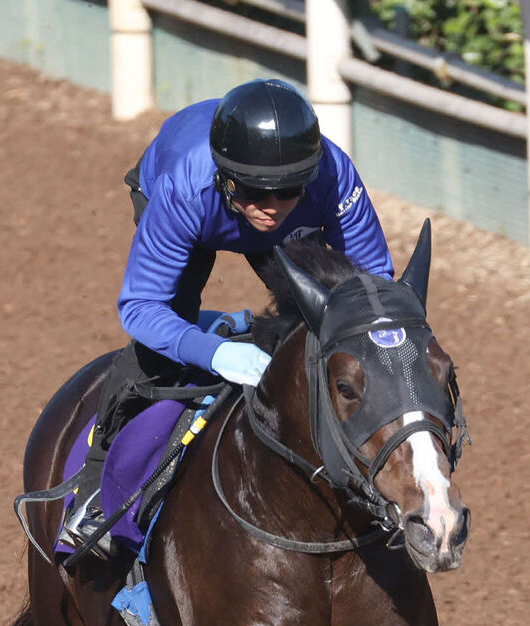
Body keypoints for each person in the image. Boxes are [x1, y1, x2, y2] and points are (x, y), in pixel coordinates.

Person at [62, 77, 395, 554]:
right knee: (170, 335)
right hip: (190, 207)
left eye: (288, 191)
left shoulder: (333, 174)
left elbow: (372, 286)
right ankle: (94, 493)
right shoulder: (186, 185)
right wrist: (214, 352)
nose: (271, 208)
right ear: (224, 177)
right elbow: (141, 307)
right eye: (255, 191)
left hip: (250, 211)